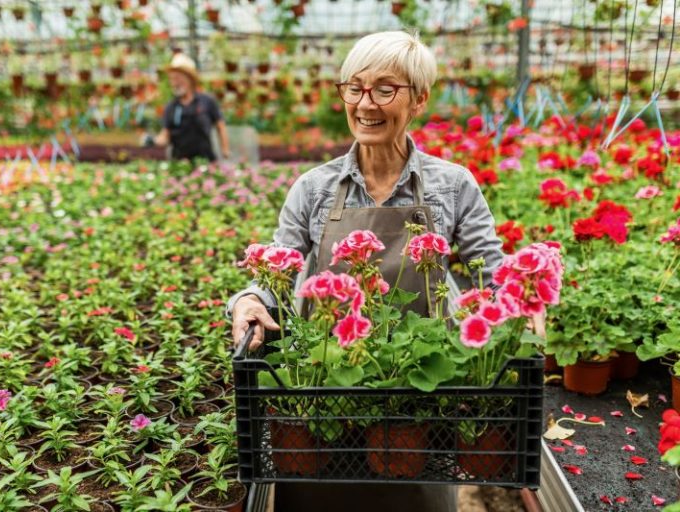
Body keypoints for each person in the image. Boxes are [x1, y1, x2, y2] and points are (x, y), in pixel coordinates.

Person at [227, 30, 509, 512]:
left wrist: (524, 301)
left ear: (418, 98)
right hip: (327, 390)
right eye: (354, 88)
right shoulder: (313, 188)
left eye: (385, 88)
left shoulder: (453, 185)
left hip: (421, 395)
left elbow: (493, 272)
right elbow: (279, 262)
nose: (365, 103)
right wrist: (249, 301)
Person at [154, 53, 230, 162]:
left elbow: (220, 125)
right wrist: (157, 141)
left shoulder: (206, 101)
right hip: (180, 162)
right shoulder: (171, 106)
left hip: (205, 160)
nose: (175, 82)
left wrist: (225, 149)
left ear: (190, 79)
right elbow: (165, 133)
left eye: (178, 78)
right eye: (172, 79)